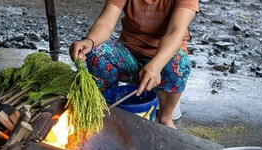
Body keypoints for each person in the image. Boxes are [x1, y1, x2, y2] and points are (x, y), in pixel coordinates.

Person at [69, 0, 199, 129]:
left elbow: (176, 31)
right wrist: (90, 41)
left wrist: (156, 65)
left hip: (163, 61)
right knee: (97, 52)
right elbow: (106, 22)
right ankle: (106, 107)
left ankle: (165, 117)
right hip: (129, 56)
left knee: (179, 63)